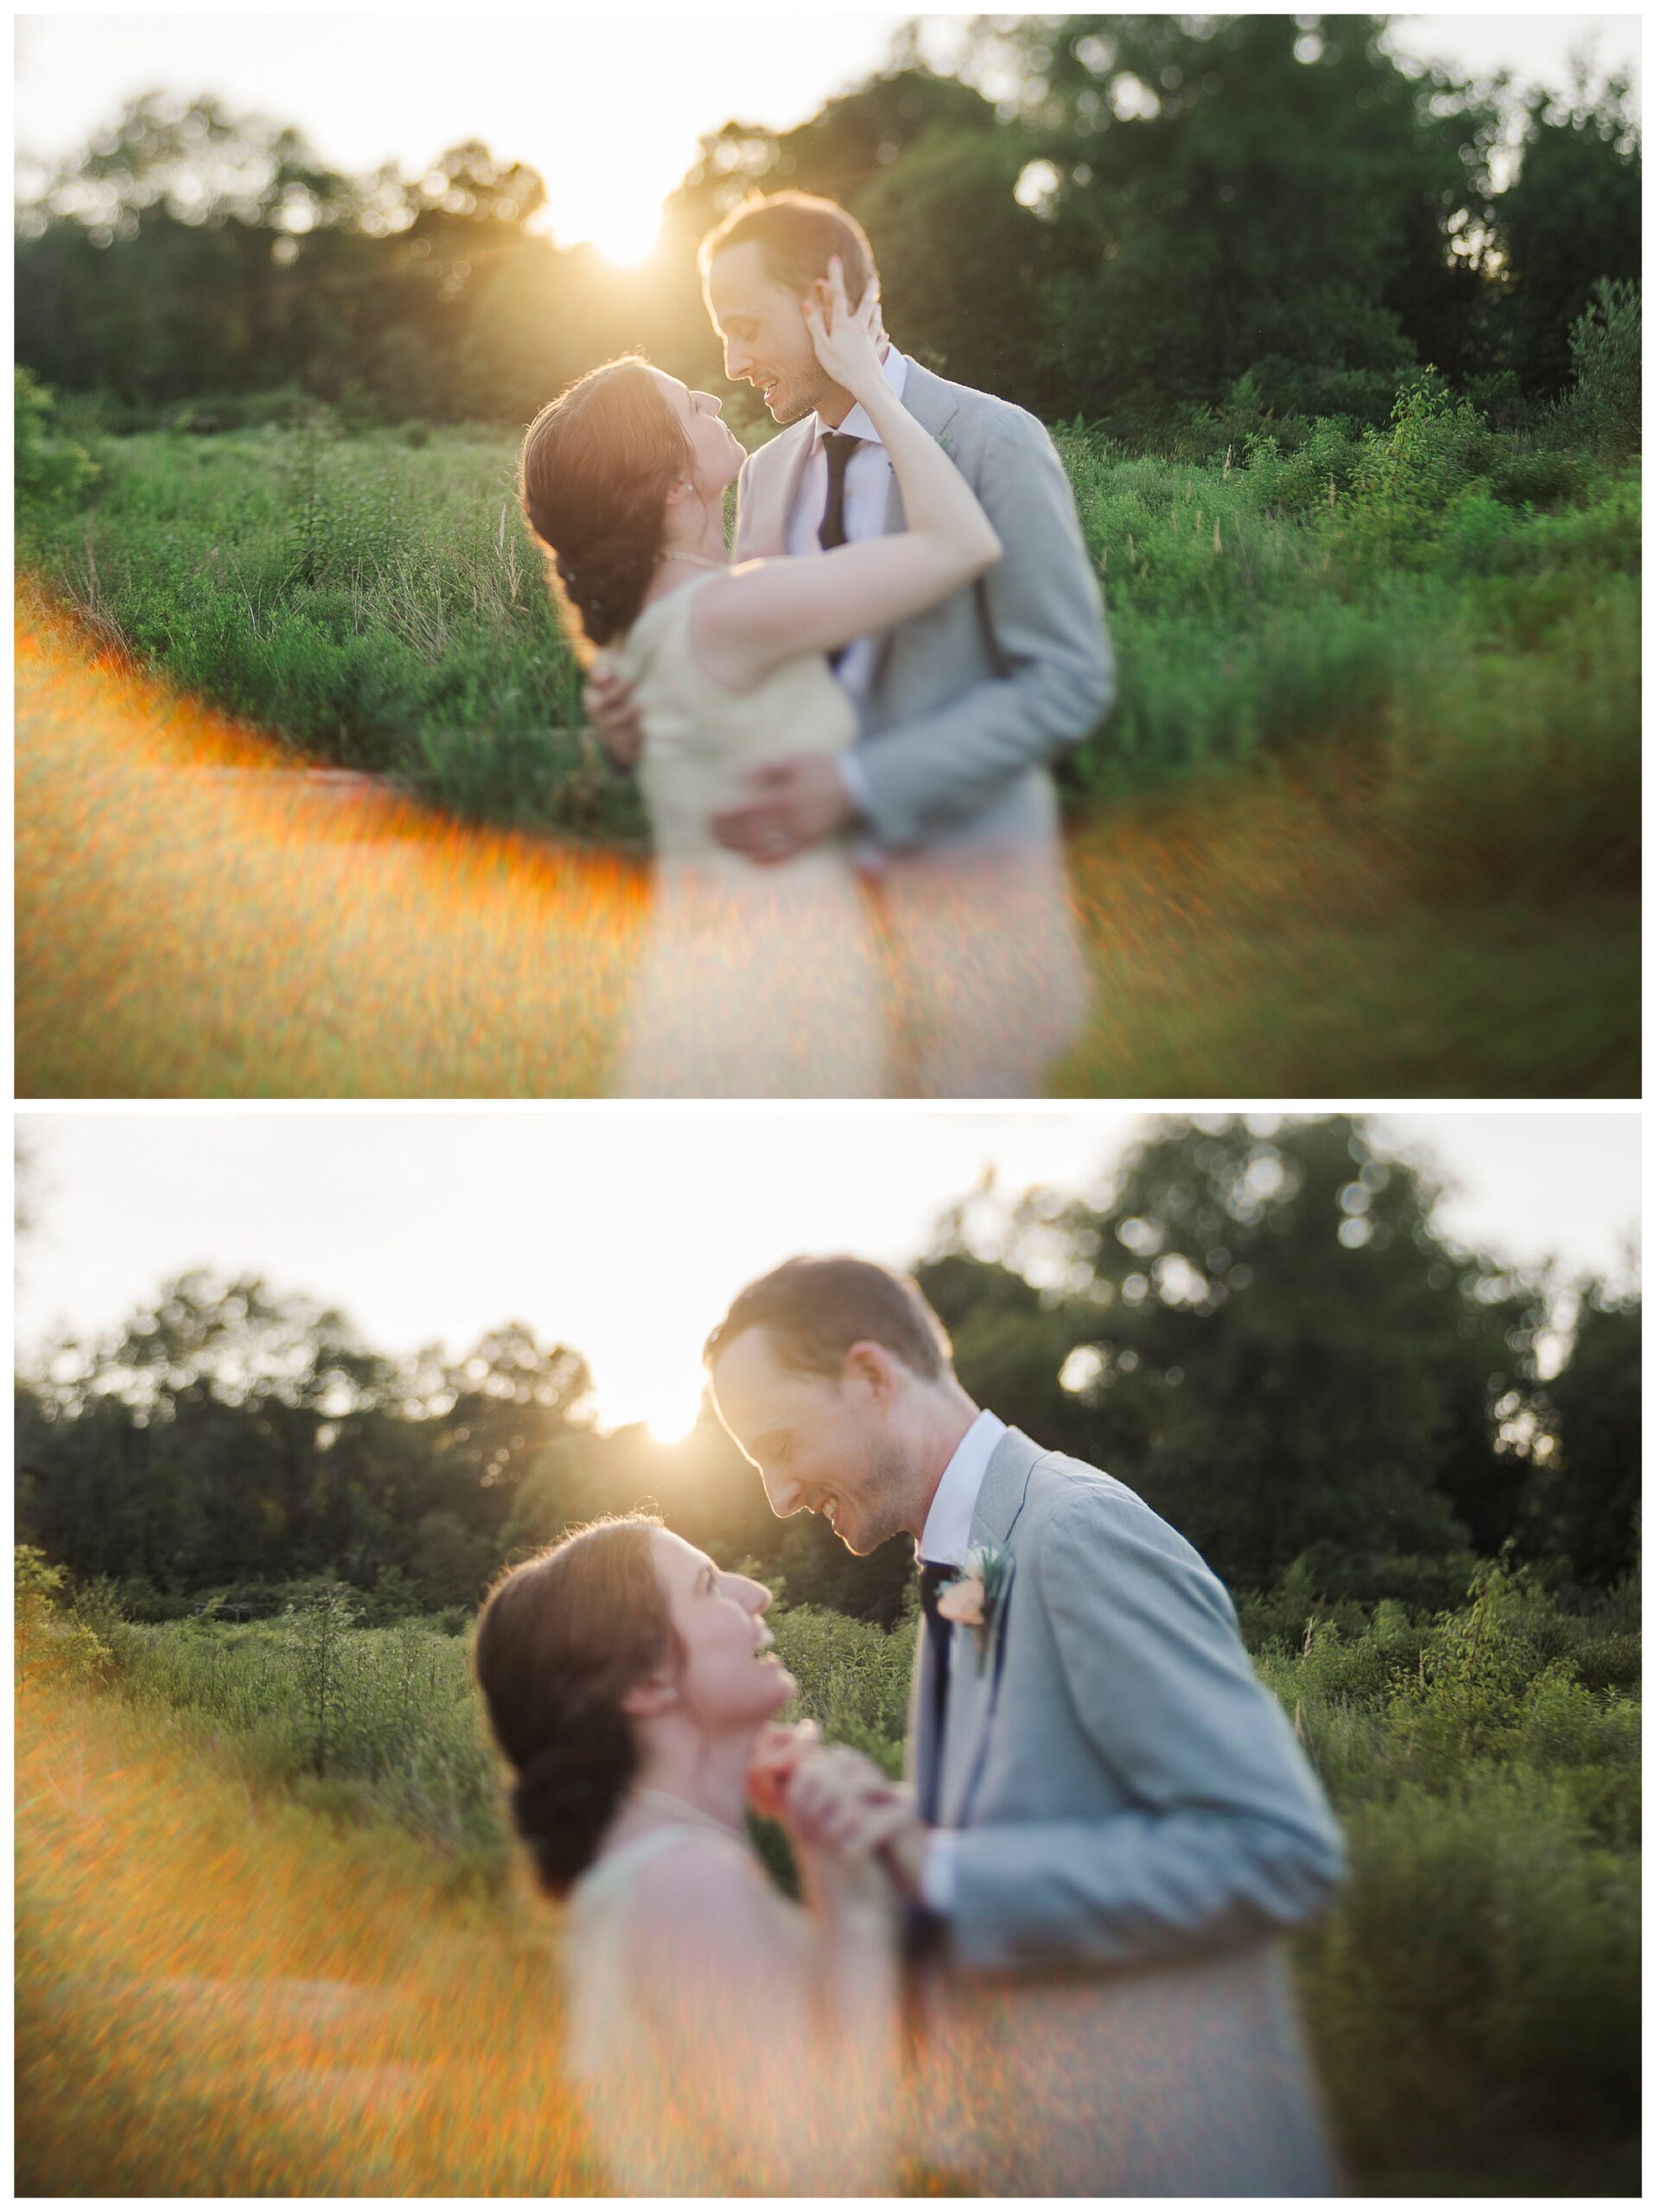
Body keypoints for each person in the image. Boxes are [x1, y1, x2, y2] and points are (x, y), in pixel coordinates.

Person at [704, 1255, 1348, 2196]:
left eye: (779, 1443)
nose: (777, 1494)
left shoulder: (1074, 1532)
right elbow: (1034, 1817)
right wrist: (886, 1828)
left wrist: (950, 1872)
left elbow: (1276, 1847)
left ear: (873, 1377)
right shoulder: (966, 1562)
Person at [583, 191, 1114, 1096]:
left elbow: (1065, 679)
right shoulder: (764, 471)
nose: (731, 360)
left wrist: (861, 784)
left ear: (824, 298)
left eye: (745, 326)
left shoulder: (993, 442)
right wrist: (632, 717)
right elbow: (741, 667)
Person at [519, 257, 1001, 1096]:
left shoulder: (639, 637)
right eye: (690, 406)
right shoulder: (733, 613)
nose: (714, 396)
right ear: (672, 483)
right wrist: (875, 390)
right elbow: (962, 546)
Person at [471, 1513, 908, 2193]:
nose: (754, 1594)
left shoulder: (665, 1869)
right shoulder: (684, 1884)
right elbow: (825, 2172)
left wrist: (822, 1856)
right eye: (708, 1585)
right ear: (646, 1683)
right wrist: (854, 1905)